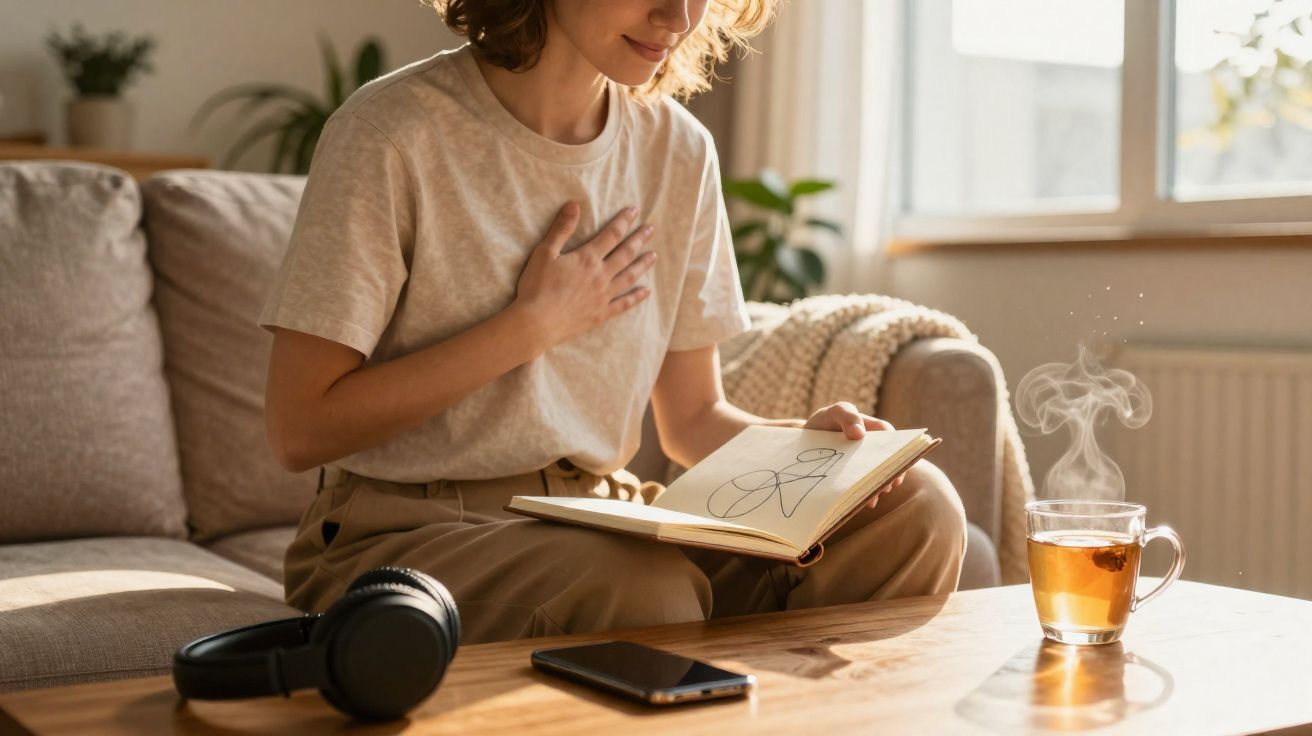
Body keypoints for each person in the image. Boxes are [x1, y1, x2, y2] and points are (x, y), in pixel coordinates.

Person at [259, 0, 967, 645]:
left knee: (918, 511)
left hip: (604, 518)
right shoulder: (391, 131)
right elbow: (301, 428)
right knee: (643, 593)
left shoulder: (679, 149)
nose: (679, 16)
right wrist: (528, 327)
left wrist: (814, 450)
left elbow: (692, 420)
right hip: (407, 530)